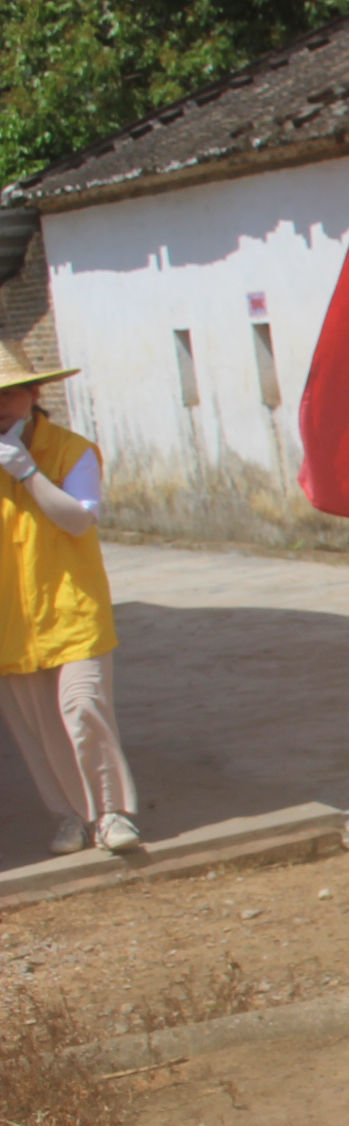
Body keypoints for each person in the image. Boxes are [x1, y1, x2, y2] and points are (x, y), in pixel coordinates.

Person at [0, 345, 141, 855]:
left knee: (83, 709)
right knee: (37, 729)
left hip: (71, 609)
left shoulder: (71, 451)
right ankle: (70, 818)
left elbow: (78, 519)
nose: (1, 404)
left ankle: (112, 814)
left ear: (34, 394)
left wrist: (26, 472)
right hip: (10, 619)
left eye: (10, 392)